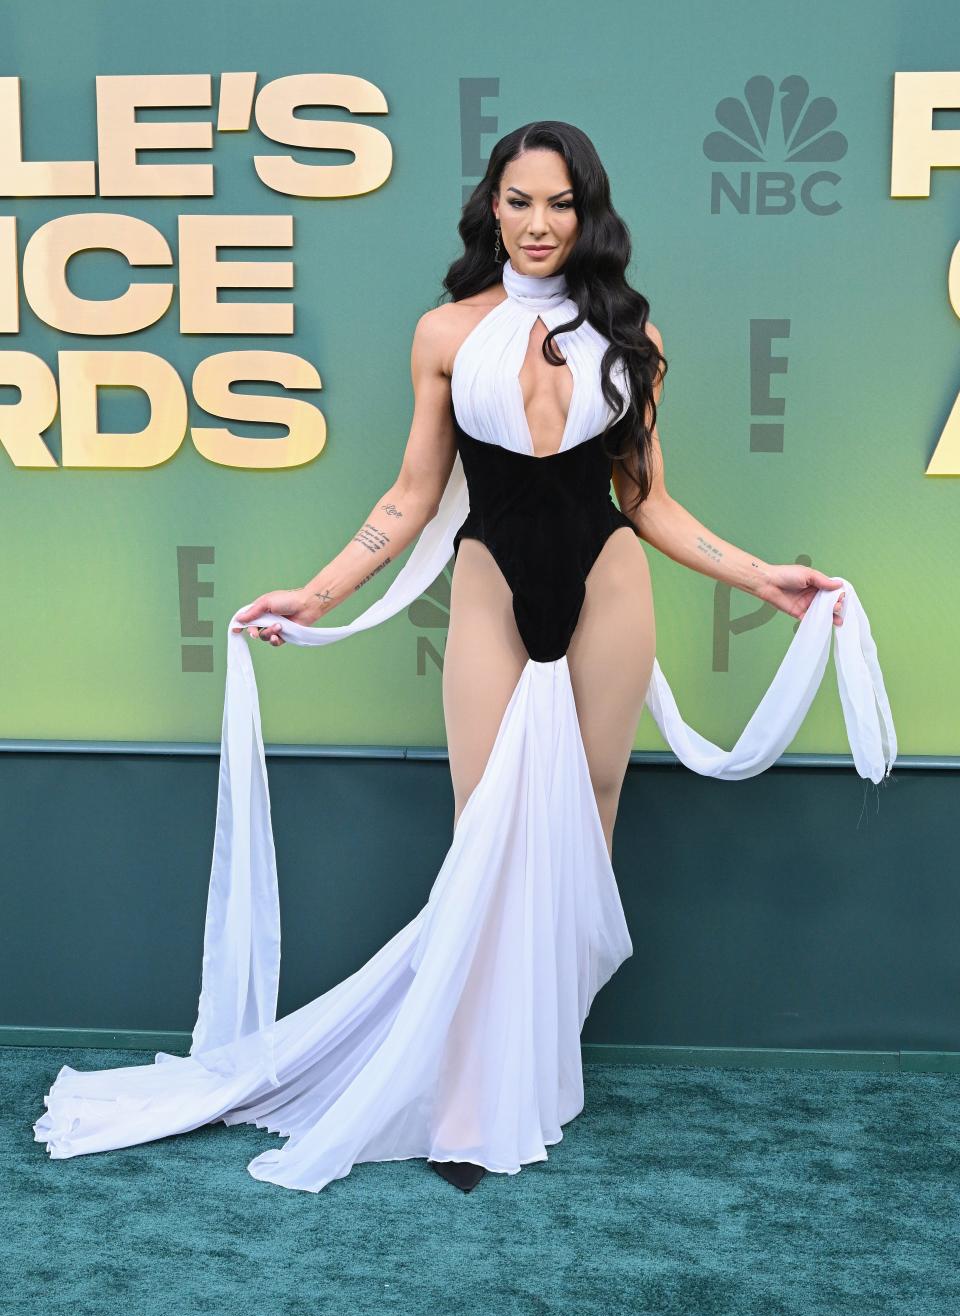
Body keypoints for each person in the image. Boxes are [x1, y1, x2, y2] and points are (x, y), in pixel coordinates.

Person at [33, 122, 895, 1196]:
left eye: (561, 204)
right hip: (490, 581)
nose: (539, 224)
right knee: (482, 828)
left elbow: (652, 504)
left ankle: (539, 1070)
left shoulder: (636, 337)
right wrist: (317, 592)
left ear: (590, 215)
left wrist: (764, 574)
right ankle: (471, 1092)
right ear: (493, 206)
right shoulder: (444, 332)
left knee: (588, 815)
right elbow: (410, 497)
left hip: (609, 582)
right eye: (520, 200)